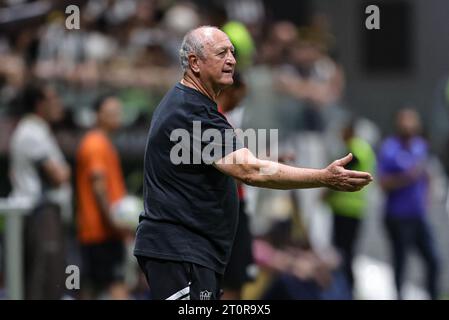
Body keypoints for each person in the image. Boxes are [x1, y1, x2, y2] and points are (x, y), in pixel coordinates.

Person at [134, 26, 372, 300]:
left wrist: (266, 159)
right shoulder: (191, 111)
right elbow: (249, 170)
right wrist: (323, 177)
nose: (232, 60)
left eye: (232, 53)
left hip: (192, 251)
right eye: (221, 52)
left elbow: (229, 163)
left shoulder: (194, 107)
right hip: (180, 251)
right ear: (194, 63)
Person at [9, 83, 71, 299]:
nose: (58, 104)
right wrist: (65, 171)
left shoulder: (37, 130)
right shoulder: (32, 132)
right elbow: (58, 176)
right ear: (39, 104)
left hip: (42, 214)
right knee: (44, 282)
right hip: (40, 214)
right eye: (53, 99)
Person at [378, 108, 440, 300]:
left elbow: (427, 174)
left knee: (434, 260)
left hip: (417, 215)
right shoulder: (390, 148)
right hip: (397, 216)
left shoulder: (420, 146)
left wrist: (426, 198)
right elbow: (383, 183)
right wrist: (406, 178)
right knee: (401, 262)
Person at [76, 95, 130, 299]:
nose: (118, 116)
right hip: (102, 231)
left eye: (119, 111)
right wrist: (114, 221)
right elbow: (98, 186)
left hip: (99, 232)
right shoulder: (96, 144)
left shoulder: (102, 142)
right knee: (117, 286)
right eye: (112, 112)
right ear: (98, 115)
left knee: (93, 288)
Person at [324, 119, 376, 297]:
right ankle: (345, 288)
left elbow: (340, 175)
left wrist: (326, 192)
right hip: (354, 209)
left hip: (345, 209)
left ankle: (344, 289)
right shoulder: (364, 147)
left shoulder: (354, 148)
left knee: (342, 252)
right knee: (346, 251)